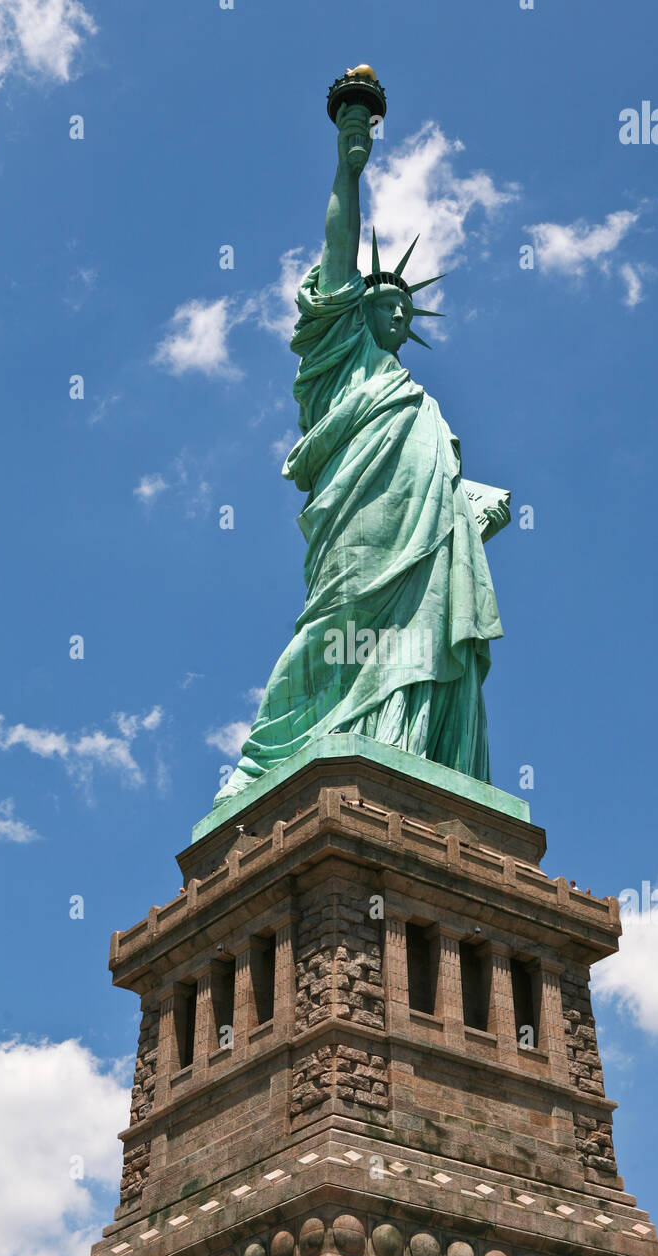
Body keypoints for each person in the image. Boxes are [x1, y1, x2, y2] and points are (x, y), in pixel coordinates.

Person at [214, 100, 510, 809]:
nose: (399, 309)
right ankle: (266, 759)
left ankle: (406, 750)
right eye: (384, 299)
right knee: (335, 622)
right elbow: (338, 253)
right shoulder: (340, 360)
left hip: (426, 543)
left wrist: (467, 510)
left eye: (407, 305)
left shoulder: (421, 402)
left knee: (423, 632)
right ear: (351, 313)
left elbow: (437, 487)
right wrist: (350, 166)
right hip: (359, 528)